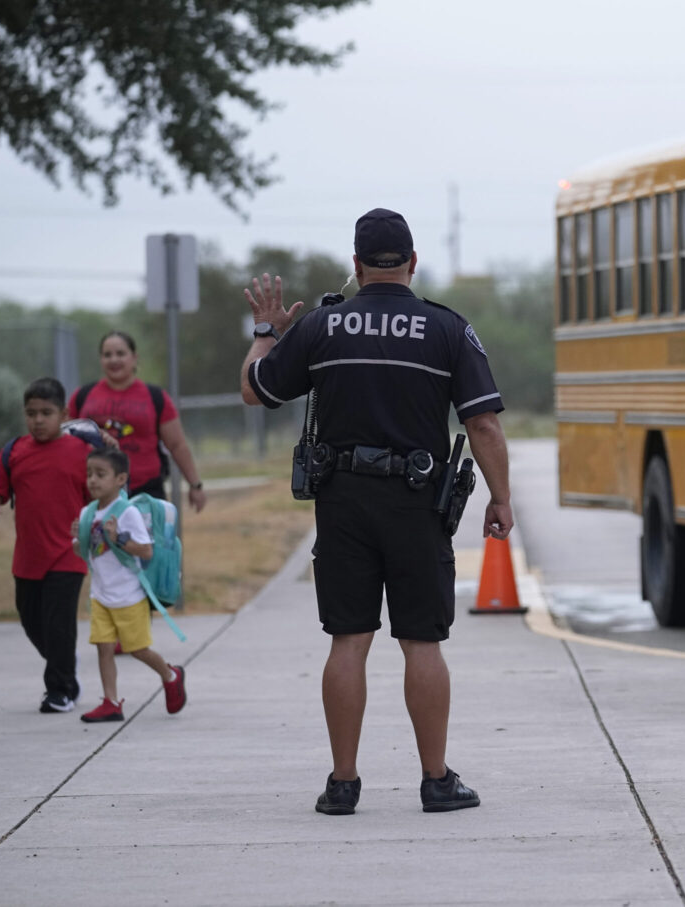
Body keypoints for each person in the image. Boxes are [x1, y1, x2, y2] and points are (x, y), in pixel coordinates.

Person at [239, 208, 513, 816]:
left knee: (348, 641)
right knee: (422, 642)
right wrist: (500, 497)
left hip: (343, 506)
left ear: (356, 264)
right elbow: (483, 422)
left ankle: (343, 784)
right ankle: (436, 781)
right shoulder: (446, 329)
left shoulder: (320, 327)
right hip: (417, 504)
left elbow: (255, 388)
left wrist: (266, 329)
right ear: (413, 263)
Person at [0, 378, 105, 714]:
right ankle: (65, 666)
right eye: (31, 413)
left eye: (46, 413)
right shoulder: (14, 451)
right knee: (31, 621)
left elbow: (102, 497)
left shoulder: (83, 453)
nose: (37, 420)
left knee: (58, 623)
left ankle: (59, 690)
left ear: (64, 414)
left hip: (68, 554)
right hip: (28, 557)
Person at [73, 447, 188, 723]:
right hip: (101, 595)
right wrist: (78, 540)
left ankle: (171, 675)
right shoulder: (88, 512)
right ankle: (111, 702)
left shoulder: (127, 513)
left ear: (120, 479)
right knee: (103, 647)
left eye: (101, 474)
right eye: (89, 474)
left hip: (129, 596)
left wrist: (119, 538)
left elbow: (146, 552)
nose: (93, 480)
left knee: (138, 649)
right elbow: (85, 553)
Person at [68, 331, 207, 512]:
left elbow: (177, 444)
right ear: (100, 359)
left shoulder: (155, 397)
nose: (114, 360)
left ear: (134, 358)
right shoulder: (83, 396)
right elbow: (65, 441)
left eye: (120, 353)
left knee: (143, 542)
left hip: (145, 493)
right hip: (94, 495)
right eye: (107, 355)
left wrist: (195, 485)